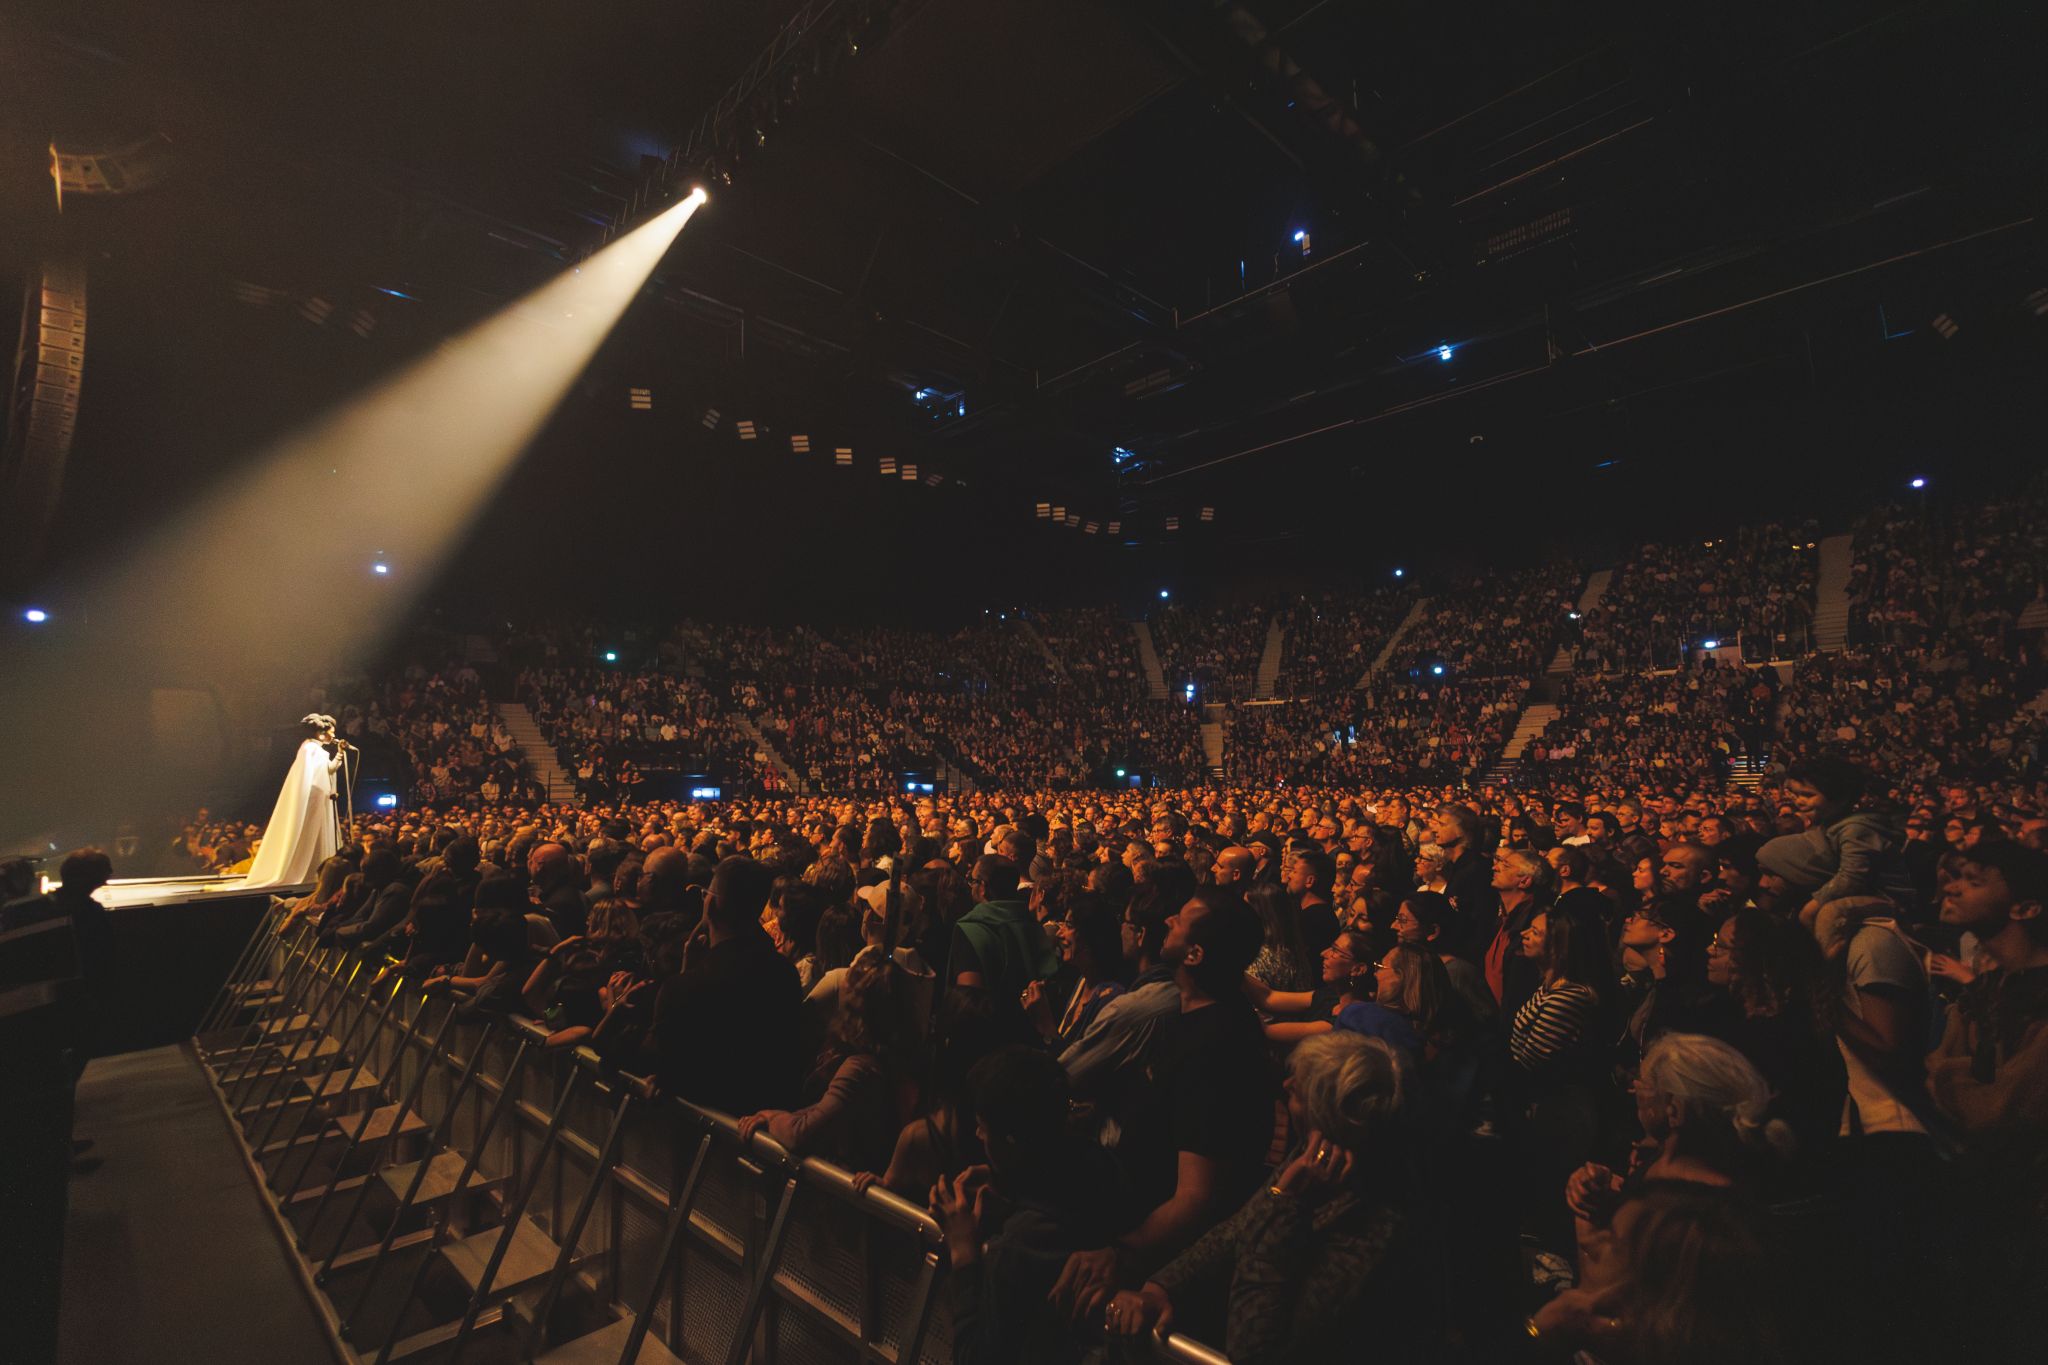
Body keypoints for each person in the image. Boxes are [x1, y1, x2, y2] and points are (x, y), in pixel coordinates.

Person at [1103, 1034, 1421, 1365]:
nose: (1286, 1084)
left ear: (1328, 1119)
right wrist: (1161, 1287)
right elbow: (1237, 1230)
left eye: (1299, 1092)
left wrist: (1286, 1203)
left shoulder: (1376, 1228)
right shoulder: (1311, 1158)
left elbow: (1253, 1349)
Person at [1049, 888, 1271, 1322]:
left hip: (1147, 1255)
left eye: (1180, 920)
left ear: (1194, 954)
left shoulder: (1215, 1046)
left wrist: (1121, 1255)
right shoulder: (1192, 1015)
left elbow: (1196, 1196)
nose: (1168, 920)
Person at [934, 1047, 1128, 1365]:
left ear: (1011, 1140)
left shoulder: (1016, 1247)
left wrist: (963, 1252)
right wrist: (1009, 1184)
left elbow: (974, 1358)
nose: (978, 1134)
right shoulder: (1102, 1165)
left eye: (983, 1126)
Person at [651, 856, 804, 1118]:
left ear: (712, 904)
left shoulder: (686, 987)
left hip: (695, 1128)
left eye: (705, 893)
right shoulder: (785, 973)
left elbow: (659, 1060)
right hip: (755, 1122)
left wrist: (684, 974)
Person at [244, 714, 348, 888]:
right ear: (321, 733)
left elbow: (329, 770)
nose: (334, 735)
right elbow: (309, 778)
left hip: (321, 798)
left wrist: (340, 753)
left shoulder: (319, 751)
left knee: (318, 835)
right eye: (331, 732)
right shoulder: (310, 748)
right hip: (314, 799)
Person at [950, 855, 1057, 998]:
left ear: (983, 887)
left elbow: (968, 996)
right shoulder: (1034, 926)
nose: (971, 887)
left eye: (973, 881)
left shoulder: (970, 929)